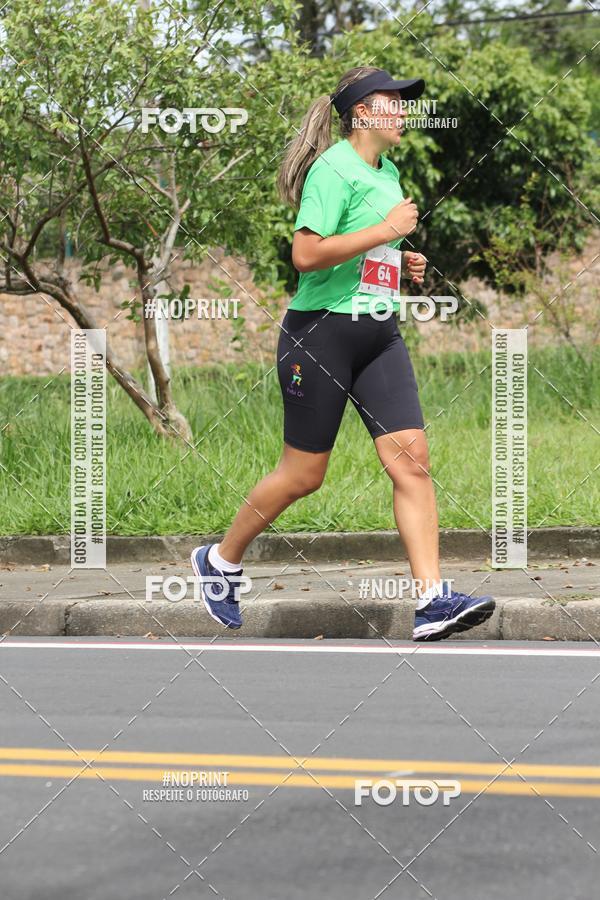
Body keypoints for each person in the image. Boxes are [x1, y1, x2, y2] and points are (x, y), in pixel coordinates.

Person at [192, 66, 495, 641]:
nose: (404, 111)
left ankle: (432, 601)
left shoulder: (389, 172)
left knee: (412, 460)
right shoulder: (332, 168)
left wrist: (402, 265)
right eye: (394, 102)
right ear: (361, 113)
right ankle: (221, 562)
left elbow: (365, 254)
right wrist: (385, 231)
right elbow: (306, 255)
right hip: (321, 334)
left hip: (379, 332)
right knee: (304, 475)